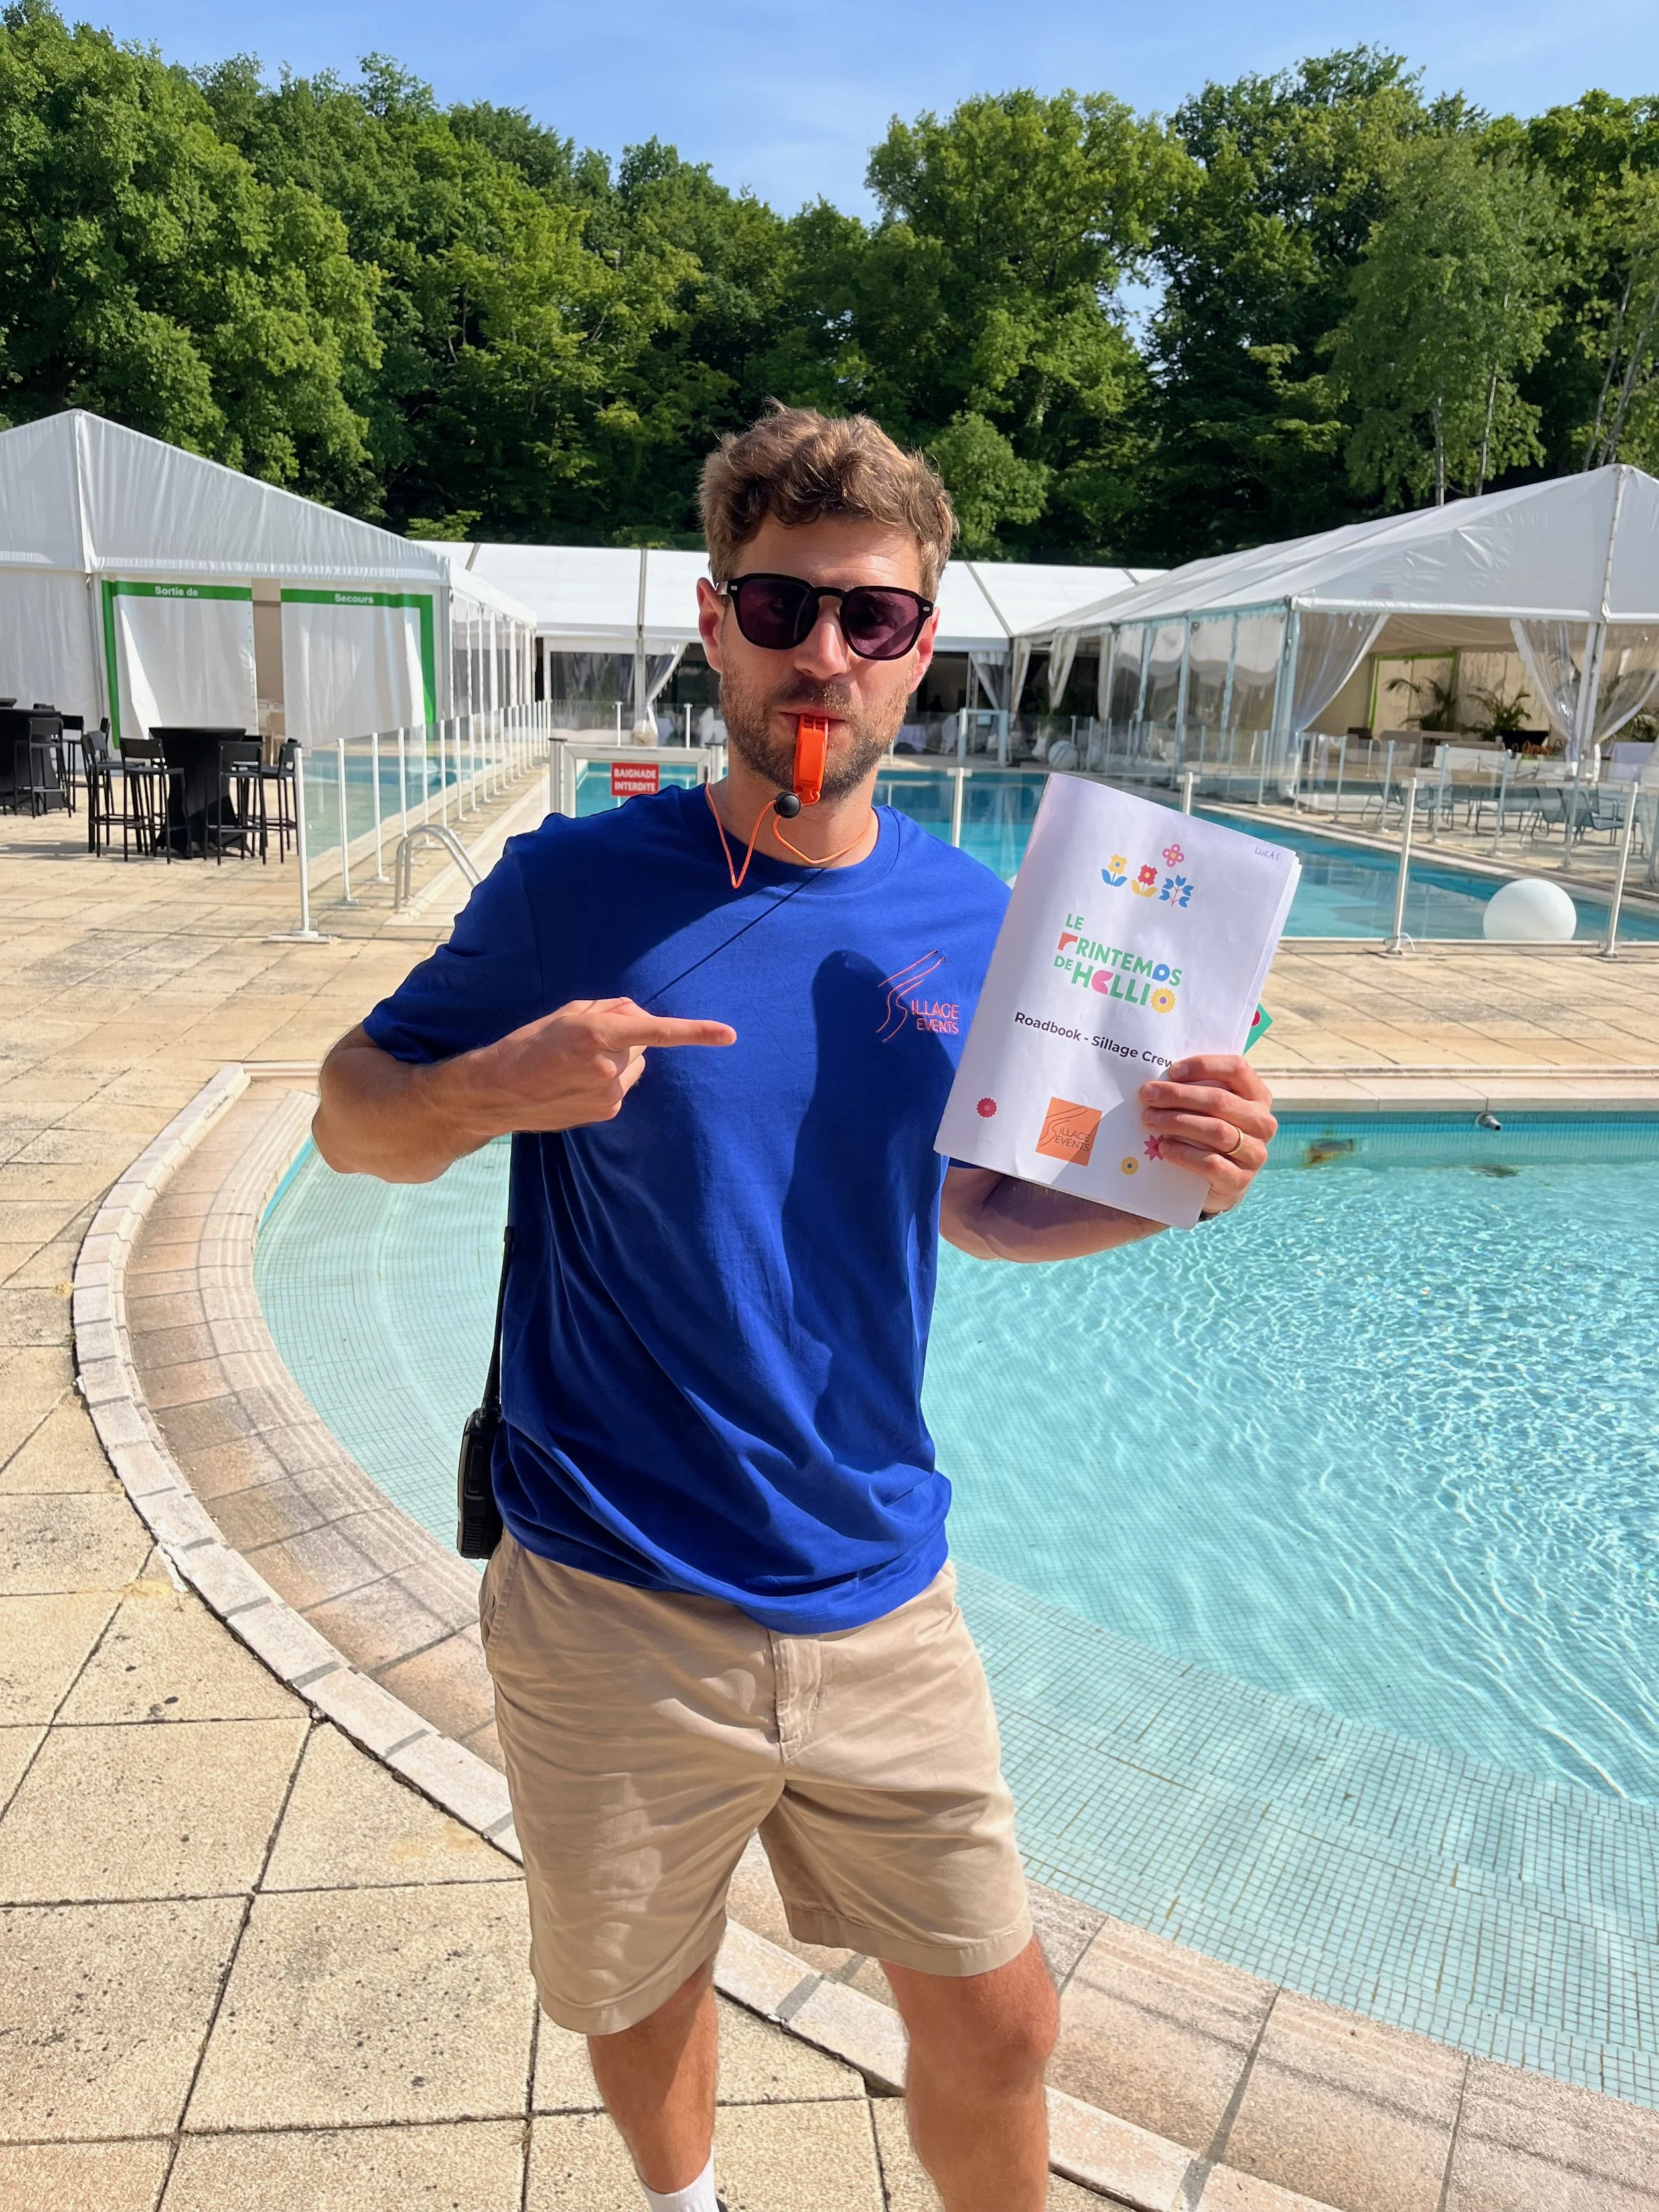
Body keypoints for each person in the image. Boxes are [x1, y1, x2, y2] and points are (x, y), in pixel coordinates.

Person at [313, 406, 1276, 2212]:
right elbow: (347, 1122)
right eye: (780, 608)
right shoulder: (568, 893)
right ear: (712, 624)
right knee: (637, 1977)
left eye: (872, 619)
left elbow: (980, 1213)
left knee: (999, 2021)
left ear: (922, 654)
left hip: (876, 1579)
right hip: (608, 1590)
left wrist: (1170, 1188)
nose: (821, 653)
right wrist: (487, 1085)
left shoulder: (980, 926)